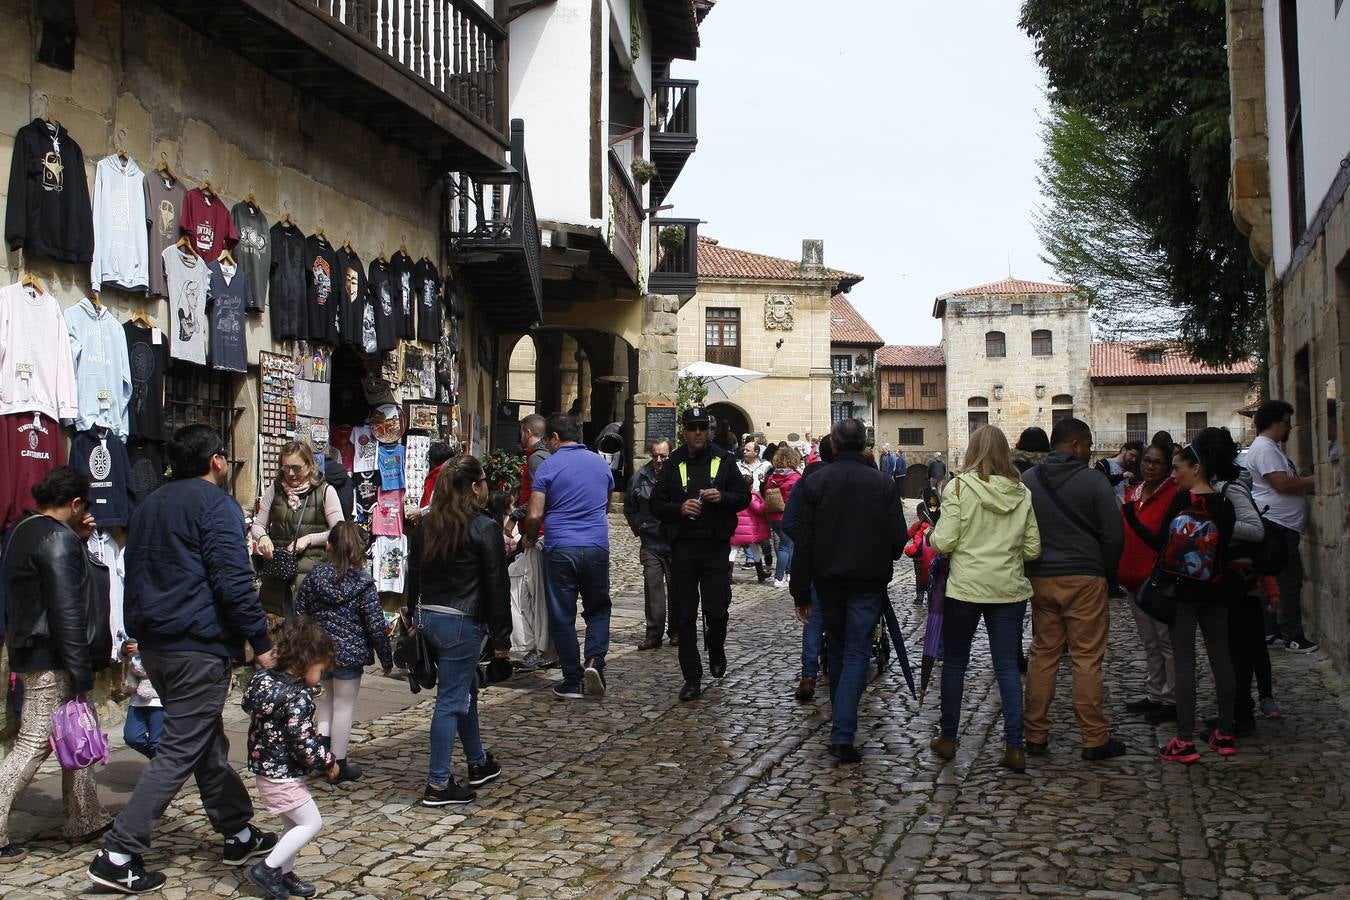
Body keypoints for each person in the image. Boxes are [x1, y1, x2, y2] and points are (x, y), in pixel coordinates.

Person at [91, 425, 278, 895]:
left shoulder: (150, 504)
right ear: (217, 460)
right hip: (195, 643)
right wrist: (261, 640)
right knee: (180, 747)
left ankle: (236, 831)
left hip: (157, 643)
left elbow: (133, 570)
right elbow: (233, 581)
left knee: (203, 740)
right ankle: (118, 853)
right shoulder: (216, 505)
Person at [0, 467, 112, 864]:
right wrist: (81, 671)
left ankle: (85, 817)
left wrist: (78, 541)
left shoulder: (23, 529)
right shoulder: (56, 538)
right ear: (76, 503)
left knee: (75, 732)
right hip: (51, 655)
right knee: (33, 742)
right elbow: (68, 611)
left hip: (35, 647)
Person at [789, 419, 906, 763]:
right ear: (864, 444)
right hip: (867, 581)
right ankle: (843, 733)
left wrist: (800, 591)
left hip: (828, 580)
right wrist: (881, 556)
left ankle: (841, 728)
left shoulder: (817, 481)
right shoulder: (882, 483)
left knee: (840, 650)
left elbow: (804, 541)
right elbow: (898, 537)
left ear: (835, 445)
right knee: (855, 651)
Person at [1124, 437, 1247, 762]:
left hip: (1182, 592)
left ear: (1196, 468)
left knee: (1184, 662)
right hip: (1217, 589)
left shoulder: (1180, 501)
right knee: (1222, 661)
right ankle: (1225, 732)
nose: (1174, 474)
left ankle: (1185, 739)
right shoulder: (1225, 504)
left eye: (1178, 468)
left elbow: (1159, 543)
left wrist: (1130, 517)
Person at [928, 426, 1041, 773]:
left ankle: (948, 738)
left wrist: (932, 534)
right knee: (1007, 666)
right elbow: (1034, 548)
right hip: (1008, 589)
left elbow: (944, 542)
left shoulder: (959, 487)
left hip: (966, 588)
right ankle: (1015, 745)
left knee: (956, 663)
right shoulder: (1021, 493)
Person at [1021, 417, 1127, 761]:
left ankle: (1035, 734)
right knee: (1086, 658)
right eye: (1088, 443)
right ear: (1076, 445)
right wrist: (1106, 572)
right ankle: (1094, 738)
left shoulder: (1028, 482)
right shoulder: (1093, 481)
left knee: (1043, 654)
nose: (1091, 449)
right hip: (1085, 577)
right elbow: (1114, 534)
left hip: (1041, 578)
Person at [408, 455, 512, 805]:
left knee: (465, 687)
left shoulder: (425, 525)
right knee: (451, 701)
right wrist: (502, 642)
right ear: (473, 487)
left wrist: (410, 619)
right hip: (460, 622)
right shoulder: (484, 527)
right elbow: (497, 585)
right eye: (483, 481)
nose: (487, 488)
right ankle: (438, 783)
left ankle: (478, 761)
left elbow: (415, 576)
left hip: (429, 620)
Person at [650, 406, 749, 701]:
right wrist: (679, 509)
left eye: (702, 428)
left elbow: (743, 498)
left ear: (709, 430)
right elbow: (656, 504)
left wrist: (723, 498)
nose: (697, 433)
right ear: (684, 430)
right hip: (683, 548)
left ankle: (716, 645)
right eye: (692, 428)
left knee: (717, 610)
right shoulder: (674, 462)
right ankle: (691, 677)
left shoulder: (724, 459)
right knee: (684, 616)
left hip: (715, 547)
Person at [240, 620, 340, 900]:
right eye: (320, 671)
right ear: (306, 662)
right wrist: (328, 761)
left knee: (292, 826)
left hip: (266, 769)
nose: (319, 679)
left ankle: (284, 874)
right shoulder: (298, 697)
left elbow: (248, 703)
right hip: (282, 773)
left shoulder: (263, 680)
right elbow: (303, 740)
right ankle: (268, 869)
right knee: (311, 823)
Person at [294, 521, 394, 783]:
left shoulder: (315, 577)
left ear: (329, 546)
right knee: (344, 706)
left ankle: (321, 758)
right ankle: (338, 763)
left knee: (327, 701)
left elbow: (299, 612)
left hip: (320, 651)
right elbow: (375, 625)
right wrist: (386, 658)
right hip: (349, 654)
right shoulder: (362, 583)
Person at [523, 413, 614, 700]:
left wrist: (528, 536)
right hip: (596, 546)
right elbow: (607, 503)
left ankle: (572, 679)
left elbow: (535, 513)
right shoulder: (601, 464)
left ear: (554, 438)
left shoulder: (549, 467)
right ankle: (595, 661)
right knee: (598, 608)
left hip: (561, 547)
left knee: (562, 615)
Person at [1200, 427, 1276, 736]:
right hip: (1227, 580)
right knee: (1229, 651)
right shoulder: (1220, 487)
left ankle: (1240, 717)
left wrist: (1219, 525)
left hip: (1240, 582)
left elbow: (1255, 529)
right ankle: (1230, 712)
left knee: (1239, 653)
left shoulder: (1232, 490)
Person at [1116, 441, 1181, 725]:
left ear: (1167, 468)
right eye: (1147, 461)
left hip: (1157, 579)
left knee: (1166, 641)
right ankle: (1155, 692)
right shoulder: (1135, 493)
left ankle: (1172, 699)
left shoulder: (1173, 495)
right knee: (1150, 642)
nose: (1150, 466)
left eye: (1157, 463)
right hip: (1133, 578)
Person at [1246, 400, 1317, 652]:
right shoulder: (1265, 449)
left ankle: (1271, 632)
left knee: (1273, 579)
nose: (1289, 428)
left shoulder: (1269, 448)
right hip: (1278, 524)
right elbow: (1281, 484)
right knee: (1288, 581)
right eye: (1287, 422)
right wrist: (1315, 479)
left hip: (1281, 523)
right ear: (1276, 422)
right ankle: (1293, 636)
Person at [251, 441, 346, 620]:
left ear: (309, 464)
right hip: (277, 579)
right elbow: (258, 525)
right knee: (278, 636)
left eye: (296, 468)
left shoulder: (325, 491)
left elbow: (339, 531)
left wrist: (310, 539)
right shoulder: (274, 490)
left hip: (311, 578)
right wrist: (262, 537)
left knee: (307, 637)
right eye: (285, 469)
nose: (291, 474)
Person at [783, 436, 833, 702]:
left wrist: (805, 539)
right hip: (842, 561)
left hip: (814, 562)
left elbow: (789, 521)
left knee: (813, 620)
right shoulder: (844, 480)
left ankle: (808, 675)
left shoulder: (806, 482)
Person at [510, 415, 553, 670]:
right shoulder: (544, 456)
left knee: (532, 595)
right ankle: (542, 647)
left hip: (538, 535)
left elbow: (540, 497)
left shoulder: (536, 458)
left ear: (527, 432)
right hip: (540, 534)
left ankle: (537, 647)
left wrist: (518, 520)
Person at [625, 439, 675, 650]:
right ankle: (653, 633)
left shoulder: (676, 475)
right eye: (655, 455)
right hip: (651, 542)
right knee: (652, 588)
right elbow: (629, 507)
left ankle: (677, 630)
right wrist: (640, 527)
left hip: (674, 542)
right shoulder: (640, 476)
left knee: (678, 589)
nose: (658, 460)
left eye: (663, 456)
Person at [764, 445, 802, 588]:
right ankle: (779, 577)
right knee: (786, 547)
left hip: (773, 515)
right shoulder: (795, 476)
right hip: (788, 514)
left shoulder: (773, 476)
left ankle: (789, 574)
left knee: (788, 545)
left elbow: (767, 491)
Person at [120, 638, 164, 759]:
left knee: (156, 743)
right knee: (132, 737)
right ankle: (163, 761)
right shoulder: (134, 629)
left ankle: (163, 769)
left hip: (158, 700)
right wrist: (125, 649)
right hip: (137, 699)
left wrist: (142, 649)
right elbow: (121, 655)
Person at [737, 441, 773, 570]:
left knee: (762, 535)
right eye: (744, 450)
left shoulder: (766, 466)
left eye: (747, 450)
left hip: (760, 502)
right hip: (744, 503)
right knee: (745, 533)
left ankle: (767, 554)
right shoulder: (738, 466)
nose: (744, 452)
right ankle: (750, 559)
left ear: (756, 452)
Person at [730, 474, 770, 583]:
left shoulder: (734, 495)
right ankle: (760, 573)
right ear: (750, 485)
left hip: (737, 528)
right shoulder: (750, 496)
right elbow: (759, 509)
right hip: (750, 529)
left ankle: (728, 575)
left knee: (733, 550)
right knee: (755, 550)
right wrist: (766, 502)